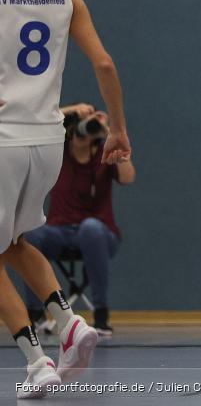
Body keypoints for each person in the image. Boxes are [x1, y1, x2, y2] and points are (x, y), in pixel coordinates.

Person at [0, 0, 131, 399]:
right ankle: (71, 325)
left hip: (3, 138)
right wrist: (117, 129)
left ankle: (37, 363)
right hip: (46, 142)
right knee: (13, 242)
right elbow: (104, 62)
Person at [24, 104, 135, 337]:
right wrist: (75, 111)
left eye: (87, 132)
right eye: (77, 131)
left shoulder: (104, 155)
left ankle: (101, 315)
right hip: (59, 230)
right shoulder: (58, 153)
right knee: (32, 234)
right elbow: (41, 121)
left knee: (90, 229)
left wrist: (108, 130)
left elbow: (127, 177)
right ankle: (35, 313)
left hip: (100, 233)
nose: (82, 136)